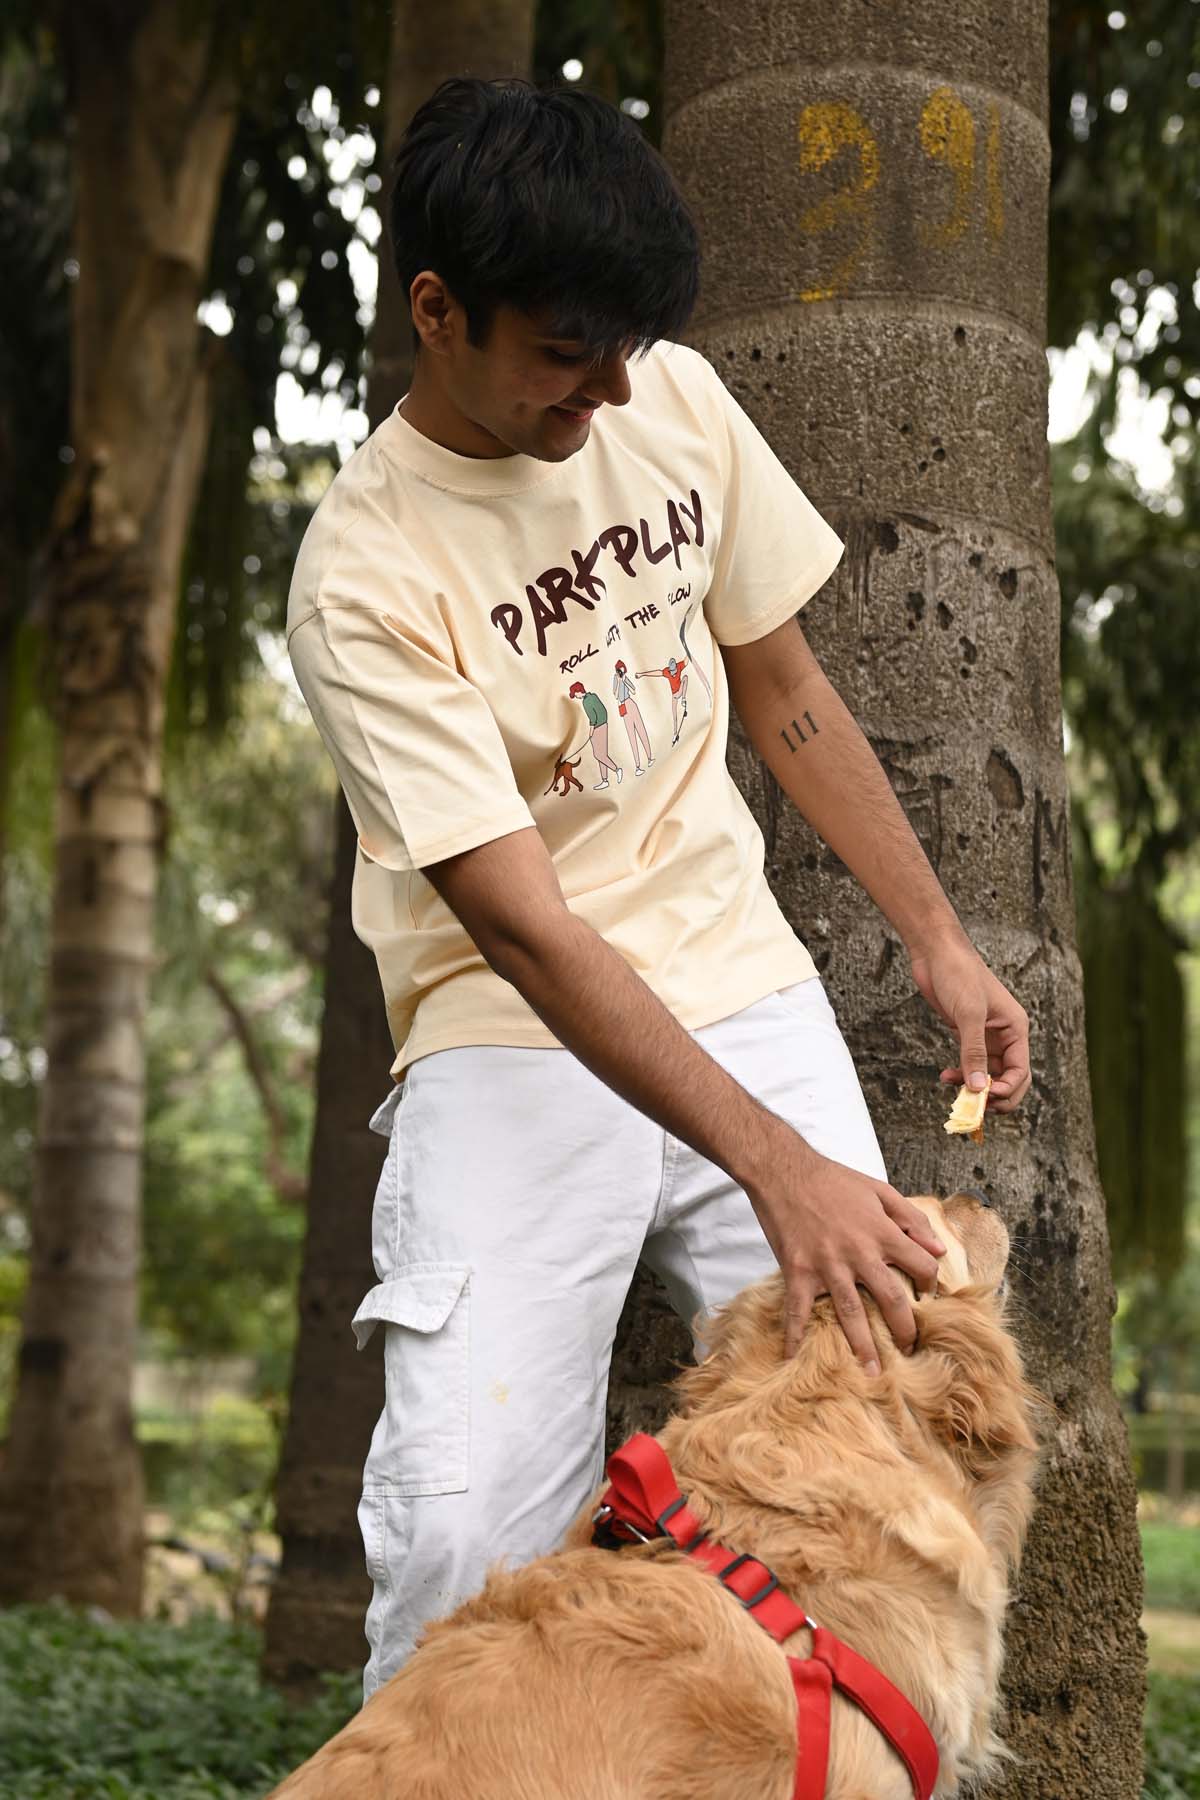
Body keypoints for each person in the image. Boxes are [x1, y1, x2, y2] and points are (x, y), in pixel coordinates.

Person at [285, 75, 1031, 1704]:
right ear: (438, 310)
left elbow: (787, 690)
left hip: (738, 977)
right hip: (508, 1033)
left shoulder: (667, 397)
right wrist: (779, 1170)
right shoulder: (365, 572)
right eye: (565, 352)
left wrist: (938, 941)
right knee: (461, 1527)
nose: (610, 392)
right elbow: (531, 934)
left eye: (627, 347)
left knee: (891, 1414)